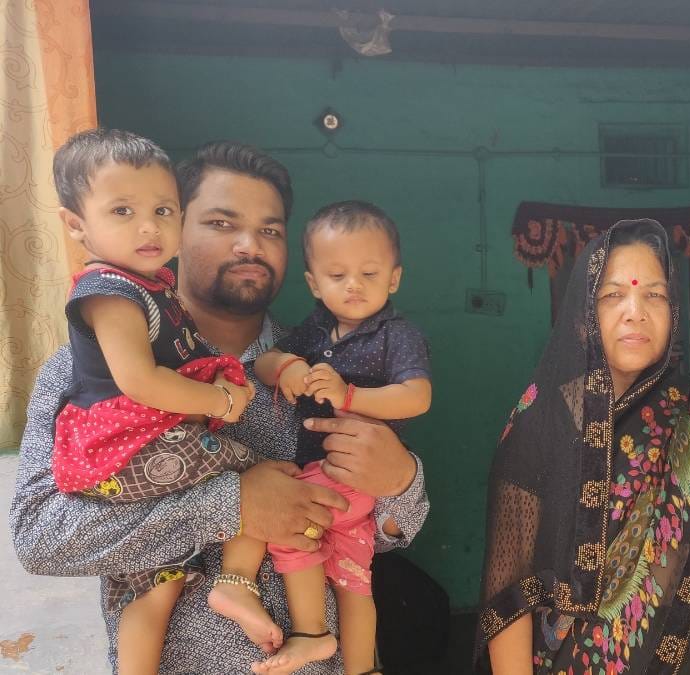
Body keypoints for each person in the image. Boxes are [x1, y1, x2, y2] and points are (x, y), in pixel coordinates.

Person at [10, 141, 430, 673]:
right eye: (221, 223)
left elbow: (379, 535)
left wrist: (401, 482)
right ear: (176, 230)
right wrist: (229, 505)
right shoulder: (88, 369)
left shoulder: (323, 361)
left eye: (270, 230)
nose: (249, 245)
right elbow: (41, 537)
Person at [475, 219, 690, 674]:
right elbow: (508, 591)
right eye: (613, 295)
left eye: (654, 294)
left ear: (673, 310)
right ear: (583, 315)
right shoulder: (542, 422)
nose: (635, 311)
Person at [48, 128, 262, 673]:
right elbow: (141, 381)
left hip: (126, 457)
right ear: (76, 224)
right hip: (128, 447)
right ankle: (236, 585)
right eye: (122, 211)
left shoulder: (153, 287)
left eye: (163, 209)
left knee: (153, 582)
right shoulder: (110, 292)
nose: (149, 226)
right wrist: (218, 401)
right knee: (251, 471)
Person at [244, 201, 432, 673]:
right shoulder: (312, 332)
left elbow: (417, 396)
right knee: (354, 580)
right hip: (338, 483)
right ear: (314, 283)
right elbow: (264, 362)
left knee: (291, 531)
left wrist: (350, 397)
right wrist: (286, 365)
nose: (353, 285)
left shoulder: (396, 333)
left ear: (394, 278)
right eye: (337, 275)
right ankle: (362, 668)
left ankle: (311, 634)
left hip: (348, 474)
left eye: (369, 273)